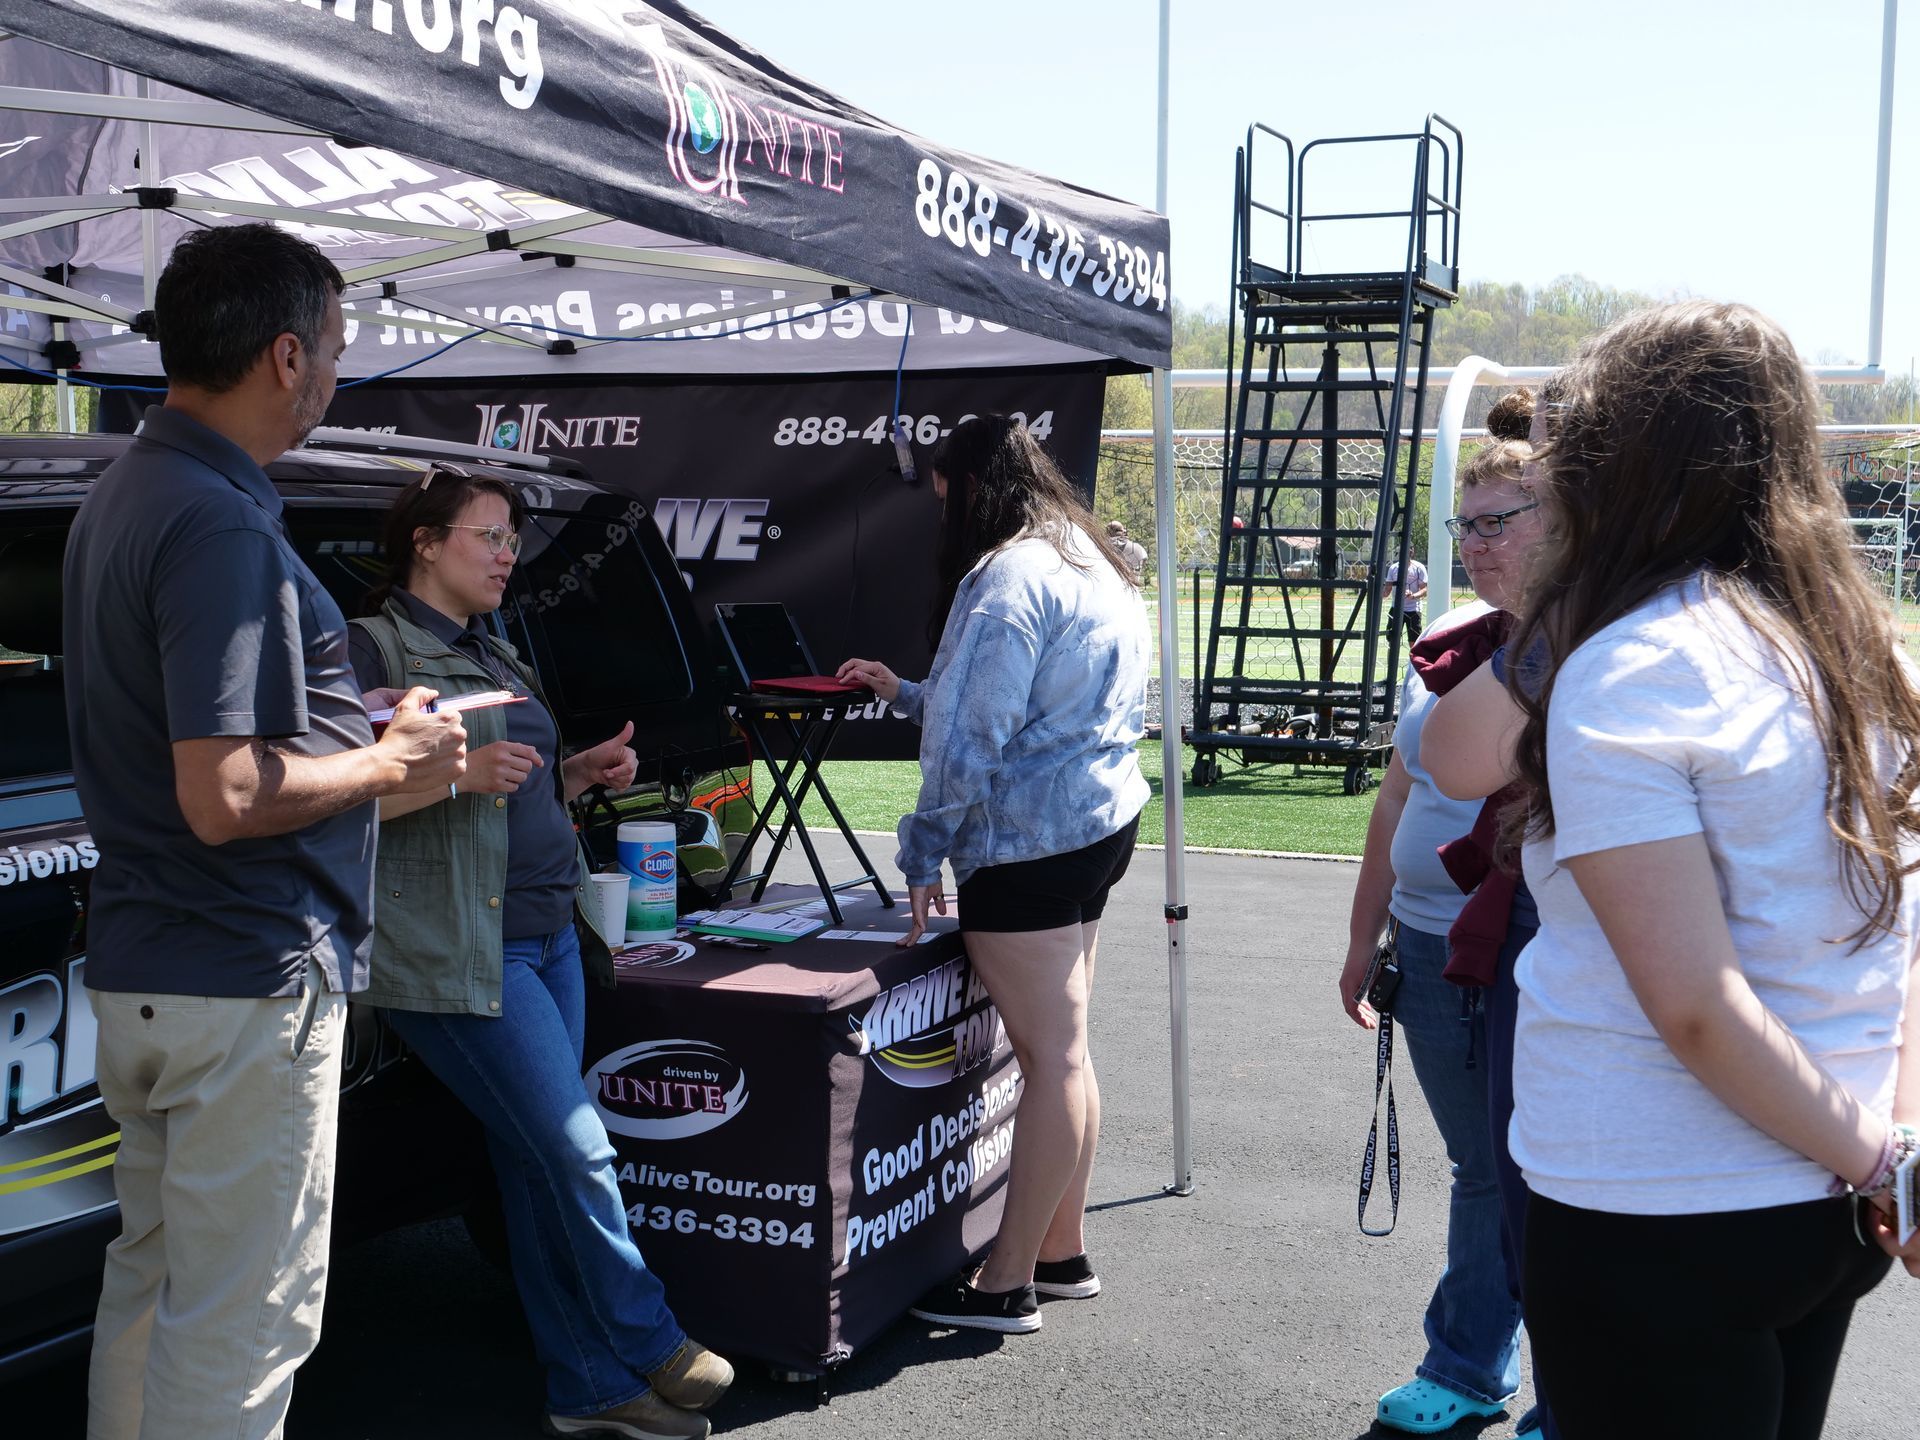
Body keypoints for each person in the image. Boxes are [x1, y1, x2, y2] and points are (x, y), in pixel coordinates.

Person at [1424, 301, 1920, 1440]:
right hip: (1830, 1200)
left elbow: (1696, 1006)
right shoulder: (1863, 648)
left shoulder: (1633, 667)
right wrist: (1893, 1147)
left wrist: (1880, 1160)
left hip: (1662, 1204)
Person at [62, 223, 468, 1440]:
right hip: (243, 980)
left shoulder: (129, 493)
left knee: (155, 1292)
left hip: (157, 973)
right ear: (287, 356)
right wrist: (392, 758)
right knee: (242, 1330)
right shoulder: (221, 523)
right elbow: (225, 793)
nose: (340, 374)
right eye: (338, 349)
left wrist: (357, 742)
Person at [347, 467, 733, 1440]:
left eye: (514, 539)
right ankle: (649, 1341)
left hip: (551, 936)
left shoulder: (496, 647)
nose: (508, 553)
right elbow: (344, 799)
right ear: (426, 543)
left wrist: (571, 771)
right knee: (573, 1147)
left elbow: (508, 790)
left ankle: (587, 1391)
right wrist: (459, 772)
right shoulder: (375, 648)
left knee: (531, 1168)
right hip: (460, 956)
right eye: (489, 535)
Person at [836, 414, 1150, 1335]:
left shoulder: (1006, 575)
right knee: (1069, 1052)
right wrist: (902, 690)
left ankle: (1005, 1281)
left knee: (1052, 1061)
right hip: (1098, 827)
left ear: (971, 487)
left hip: (1027, 846)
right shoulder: (1090, 559)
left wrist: (923, 847)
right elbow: (1031, 703)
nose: (943, 520)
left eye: (943, 500)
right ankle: (1061, 1254)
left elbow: (976, 735)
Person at [1338, 394, 1547, 1435]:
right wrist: (1360, 934)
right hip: (1426, 947)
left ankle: (1504, 1374)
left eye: (1500, 519)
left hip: (1521, 947)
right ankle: (1473, 1368)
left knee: (1533, 1175)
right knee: (1485, 1170)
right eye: (1467, 523)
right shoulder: (1456, 639)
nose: (1476, 542)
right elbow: (1396, 795)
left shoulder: (1572, 648)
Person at [1381, 554, 1430, 644]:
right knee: (1392, 640)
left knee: (1414, 642)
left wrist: (1413, 595)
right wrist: (1375, 591)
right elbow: (1387, 590)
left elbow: (1424, 590)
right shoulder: (1393, 568)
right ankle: (1391, 658)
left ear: (1412, 553)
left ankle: (1413, 658)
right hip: (1396, 609)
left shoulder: (1419, 567)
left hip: (1414, 610)